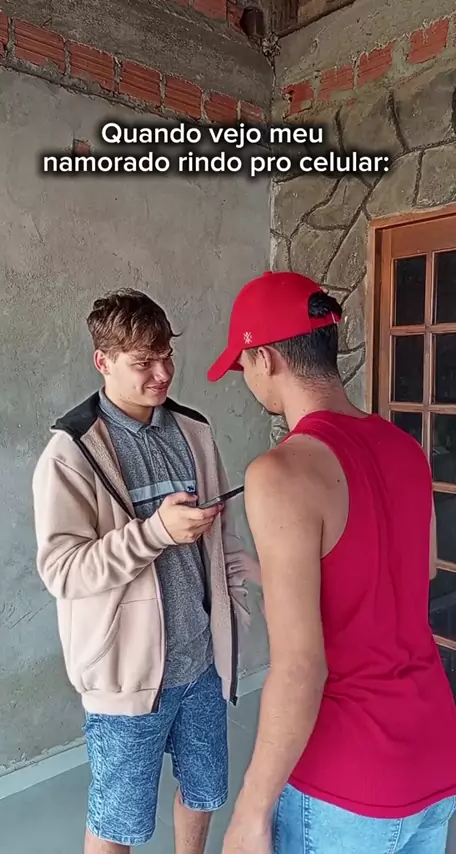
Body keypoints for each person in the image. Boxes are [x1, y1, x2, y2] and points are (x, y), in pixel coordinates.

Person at [206, 270, 456, 854]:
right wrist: (274, 576)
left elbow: (301, 669)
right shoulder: (405, 447)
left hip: (347, 781)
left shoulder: (280, 472)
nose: (247, 379)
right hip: (434, 754)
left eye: (243, 365)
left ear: (265, 358)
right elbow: (414, 572)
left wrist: (251, 811)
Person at [32, 288, 259, 854]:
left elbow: (223, 540)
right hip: (125, 678)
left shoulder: (194, 432)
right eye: (143, 363)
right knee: (119, 822)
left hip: (203, 665)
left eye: (166, 357)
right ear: (102, 361)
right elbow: (63, 571)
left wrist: (234, 617)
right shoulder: (71, 453)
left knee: (204, 793)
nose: (162, 374)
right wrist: (156, 532)